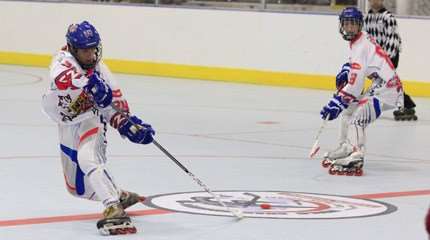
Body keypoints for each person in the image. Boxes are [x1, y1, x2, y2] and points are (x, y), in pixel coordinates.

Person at [41, 21, 155, 235]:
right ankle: (118, 194)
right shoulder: (62, 60)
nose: (91, 54)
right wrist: (87, 83)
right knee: (76, 189)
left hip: (90, 119)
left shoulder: (103, 72)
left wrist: (130, 127)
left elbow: (116, 109)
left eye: (94, 48)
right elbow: (61, 77)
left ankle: (113, 206)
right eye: (85, 50)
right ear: (73, 49)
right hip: (67, 121)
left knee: (87, 158)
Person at [320, 7, 403, 176]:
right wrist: (346, 69)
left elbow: (356, 85)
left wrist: (337, 101)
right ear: (341, 25)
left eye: (353, 24)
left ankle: (357, 154)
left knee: (358, 119)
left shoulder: (360, 45)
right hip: (380, 85)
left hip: (387, 90)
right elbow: (359, 65)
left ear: (360, 26)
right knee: (348, 111)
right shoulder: (360, 41)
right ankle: (346, 146)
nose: (349, 28)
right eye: (346, 24)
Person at [364, 0, 417, 121]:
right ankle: (406, 104)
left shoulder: (388, 18)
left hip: (390, 56)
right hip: (376, 58)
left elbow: (392, 40)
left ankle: (405, 105)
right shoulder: (367, 18)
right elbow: (367, 39)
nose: (374, 1)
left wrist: (385, 60)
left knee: (388, 82)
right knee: (386, 83)